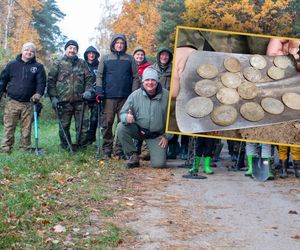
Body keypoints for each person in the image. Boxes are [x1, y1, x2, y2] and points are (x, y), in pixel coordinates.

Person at [117, 67, 173, 168]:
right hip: (139, 130)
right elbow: (122, 113)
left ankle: (160, 152)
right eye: (147, 80)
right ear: (143, 82)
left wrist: (167, 136)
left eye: (153, 80)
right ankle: (133, 155)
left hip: (157, 135)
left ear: (157, 81)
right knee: (121, 127)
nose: (150, 83)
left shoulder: (167, 96)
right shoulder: (135, 95)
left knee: (159, 164)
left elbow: (173, 118)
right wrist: (126, 117)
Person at [95, 34, 140, 159]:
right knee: (107, 123)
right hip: (109, 97)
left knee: (123, 124)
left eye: (122, 43)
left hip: (126, 97)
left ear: (125, 45)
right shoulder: (106, 58)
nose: (119, 45)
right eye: (117, 43)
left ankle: (120, 150)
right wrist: (99, 90)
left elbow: (136, 77)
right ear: (113, 44)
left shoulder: (130, 59)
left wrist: (134, 93)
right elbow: (99, 75)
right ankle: (107, 150)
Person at [47, 40, 94, 151]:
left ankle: (81, 146)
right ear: (66, 49)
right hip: (63, 101)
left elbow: (89, 79)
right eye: (70, 48)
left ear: (77, 51)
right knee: (63, 126)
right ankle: (66, 146)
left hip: (81, 101)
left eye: (74, 48)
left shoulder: (82, 63)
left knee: (83, 126)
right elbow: (50, 81)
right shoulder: (58, 63)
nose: (72, 50)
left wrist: (88, 91)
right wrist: (53, 97)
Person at [0, 42, 46, 153]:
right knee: (9, 126)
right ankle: (6, 148)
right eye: (27, 50)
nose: (29, 52)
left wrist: (38, 94)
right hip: (12, 102)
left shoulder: (38, 67)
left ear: (34, 54)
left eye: (32, 51)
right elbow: (2, 80)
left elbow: (41, 83)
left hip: (29, 103)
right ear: (22, 51)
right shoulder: (12, 65)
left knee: (26, 128)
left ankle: (24, 148)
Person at [267, 38, 300, 178]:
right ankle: (284, 170)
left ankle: (296, 169)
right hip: (282, 106)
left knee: (295, 143)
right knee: (283, 142)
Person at [83, 46, 100, 144]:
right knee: (84, 119)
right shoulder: (82, 65)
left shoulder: (100, 65)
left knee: (94, 119)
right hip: (84, 96)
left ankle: (91, 139)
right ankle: (82, 138)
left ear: (96, 55)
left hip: (96, 97)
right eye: (89, 53)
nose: (91, 55)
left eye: (93, 53)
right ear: (86, 55)